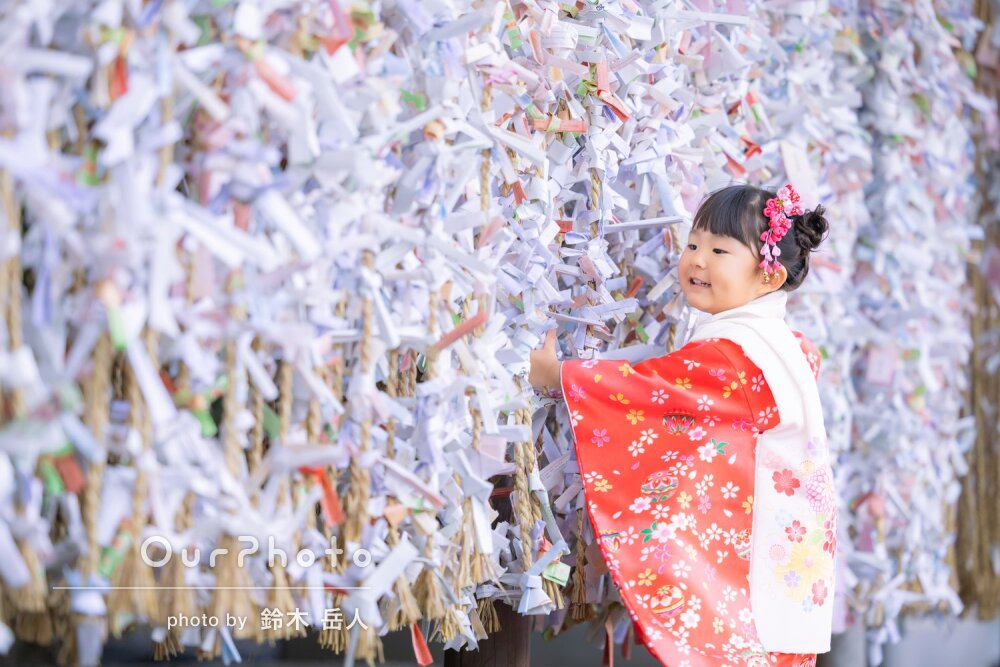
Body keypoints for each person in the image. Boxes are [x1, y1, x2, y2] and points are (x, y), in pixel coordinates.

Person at [529, 184, 835, 667]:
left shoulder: (731, 356)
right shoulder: (785, 346)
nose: (697, 259)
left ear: (770, 275)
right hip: (783, 554)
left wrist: (558, 375)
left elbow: (650, 390)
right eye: (693, 244)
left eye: (719, 250)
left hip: (753, 567)